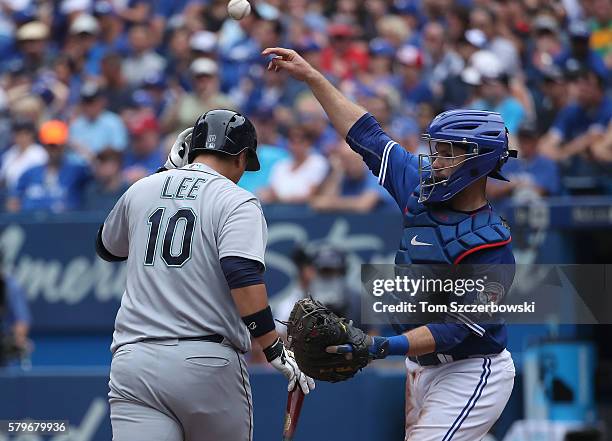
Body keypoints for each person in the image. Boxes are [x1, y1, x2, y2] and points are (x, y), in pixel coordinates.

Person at [262, 46, 516, 441]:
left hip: (471, 370)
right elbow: (365, 134)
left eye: (449, 154)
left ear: (479, 162)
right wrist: (313, 76)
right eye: (437, 150)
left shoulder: (490, 246)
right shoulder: (420, 185)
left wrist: (378, 345)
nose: (436, 161)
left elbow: (453, 331)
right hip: (420, 367)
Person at [97, 109, 314, 441]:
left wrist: (165, 173)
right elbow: (241, 274)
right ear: (241, 158)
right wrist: (272, 347)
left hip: (135, 360)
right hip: (206, 361)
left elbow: (106, 247)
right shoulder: (237, 200)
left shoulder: (142, 188)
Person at [8, 120, 91, 213]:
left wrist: (76, 146)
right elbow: (13, 202)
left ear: (64, 146)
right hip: (32, 224)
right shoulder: (30, 173)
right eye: (50, 146)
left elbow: (101, 171)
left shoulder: (76, 171)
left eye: (57, 146)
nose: (54, 150)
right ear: (44, 146)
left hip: (65, 224)